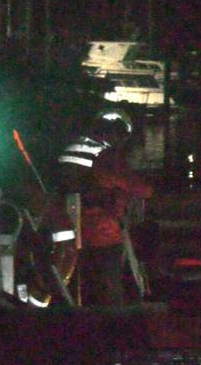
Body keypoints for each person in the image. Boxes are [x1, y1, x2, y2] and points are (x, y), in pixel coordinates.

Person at [57, 111, 153, 305]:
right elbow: (143, 190)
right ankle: (110, 319)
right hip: (101, 231)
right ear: (118, 133)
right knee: (108, 288)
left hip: (68, 227)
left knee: (79, 285)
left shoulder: (72, 149)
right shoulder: (106, 157)